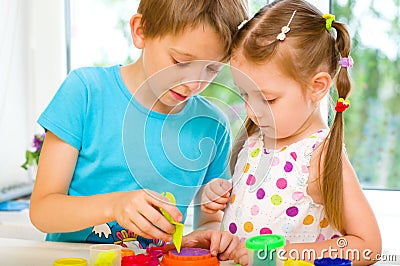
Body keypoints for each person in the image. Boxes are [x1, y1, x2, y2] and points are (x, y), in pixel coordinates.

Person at [29, 0, 248, 260]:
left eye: (212, 68)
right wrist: (115, 205)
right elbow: (43, 212)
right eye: (180, 61)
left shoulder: (213, 126)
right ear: (140, 31)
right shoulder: (85, 92)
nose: (193, 83)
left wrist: (205, 237)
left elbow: (208, 222)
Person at [201, 0, 382, 264]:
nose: (252, 112)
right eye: (245, 95)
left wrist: (280, 254)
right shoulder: (253, 142)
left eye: (268, 100)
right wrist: (217, 205)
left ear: (317, 87)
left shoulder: (319, 156)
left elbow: (368, 246)